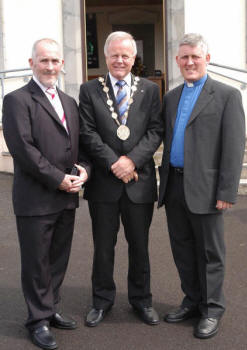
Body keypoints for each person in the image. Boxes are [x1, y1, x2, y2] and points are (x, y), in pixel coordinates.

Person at [2, 38, 91, 350]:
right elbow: (23, 150)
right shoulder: (16, 100)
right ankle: (37, 320)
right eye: (44, 61)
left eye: (55, 61)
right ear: (31, 63)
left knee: (57, 258)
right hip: (36, 197)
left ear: (62, 65)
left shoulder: (69, 102)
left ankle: (50, 308)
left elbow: (76, 146)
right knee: (37, 262)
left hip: (66, 196)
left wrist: (83, 170)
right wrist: (58, 179)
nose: (50, 66)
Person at [158, 33, 245, 339]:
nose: (189, 62)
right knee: (182, 249)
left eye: (195, 56)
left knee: (210, 253)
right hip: (174, 185)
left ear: (206, 59)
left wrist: (226, 192)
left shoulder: (226, 95)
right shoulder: (170, 97)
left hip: (207, 190)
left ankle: (211, 309)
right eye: (184, 57)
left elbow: (233, 148)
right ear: (177, 60)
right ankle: (192, 300)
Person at [79, 31, 163, 327]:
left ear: (134, 58)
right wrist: (115, 163)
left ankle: (142, 300)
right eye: (114, 54)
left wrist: (132, 161)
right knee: (103, 247)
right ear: (105, 57)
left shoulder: (150, 91)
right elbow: (87, 133)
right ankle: (101, 300)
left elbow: (156, 130)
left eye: (126, 55)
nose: (120, 60)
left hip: (138, 182)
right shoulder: (89, 90)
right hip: (104, 182)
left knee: (139, 245)